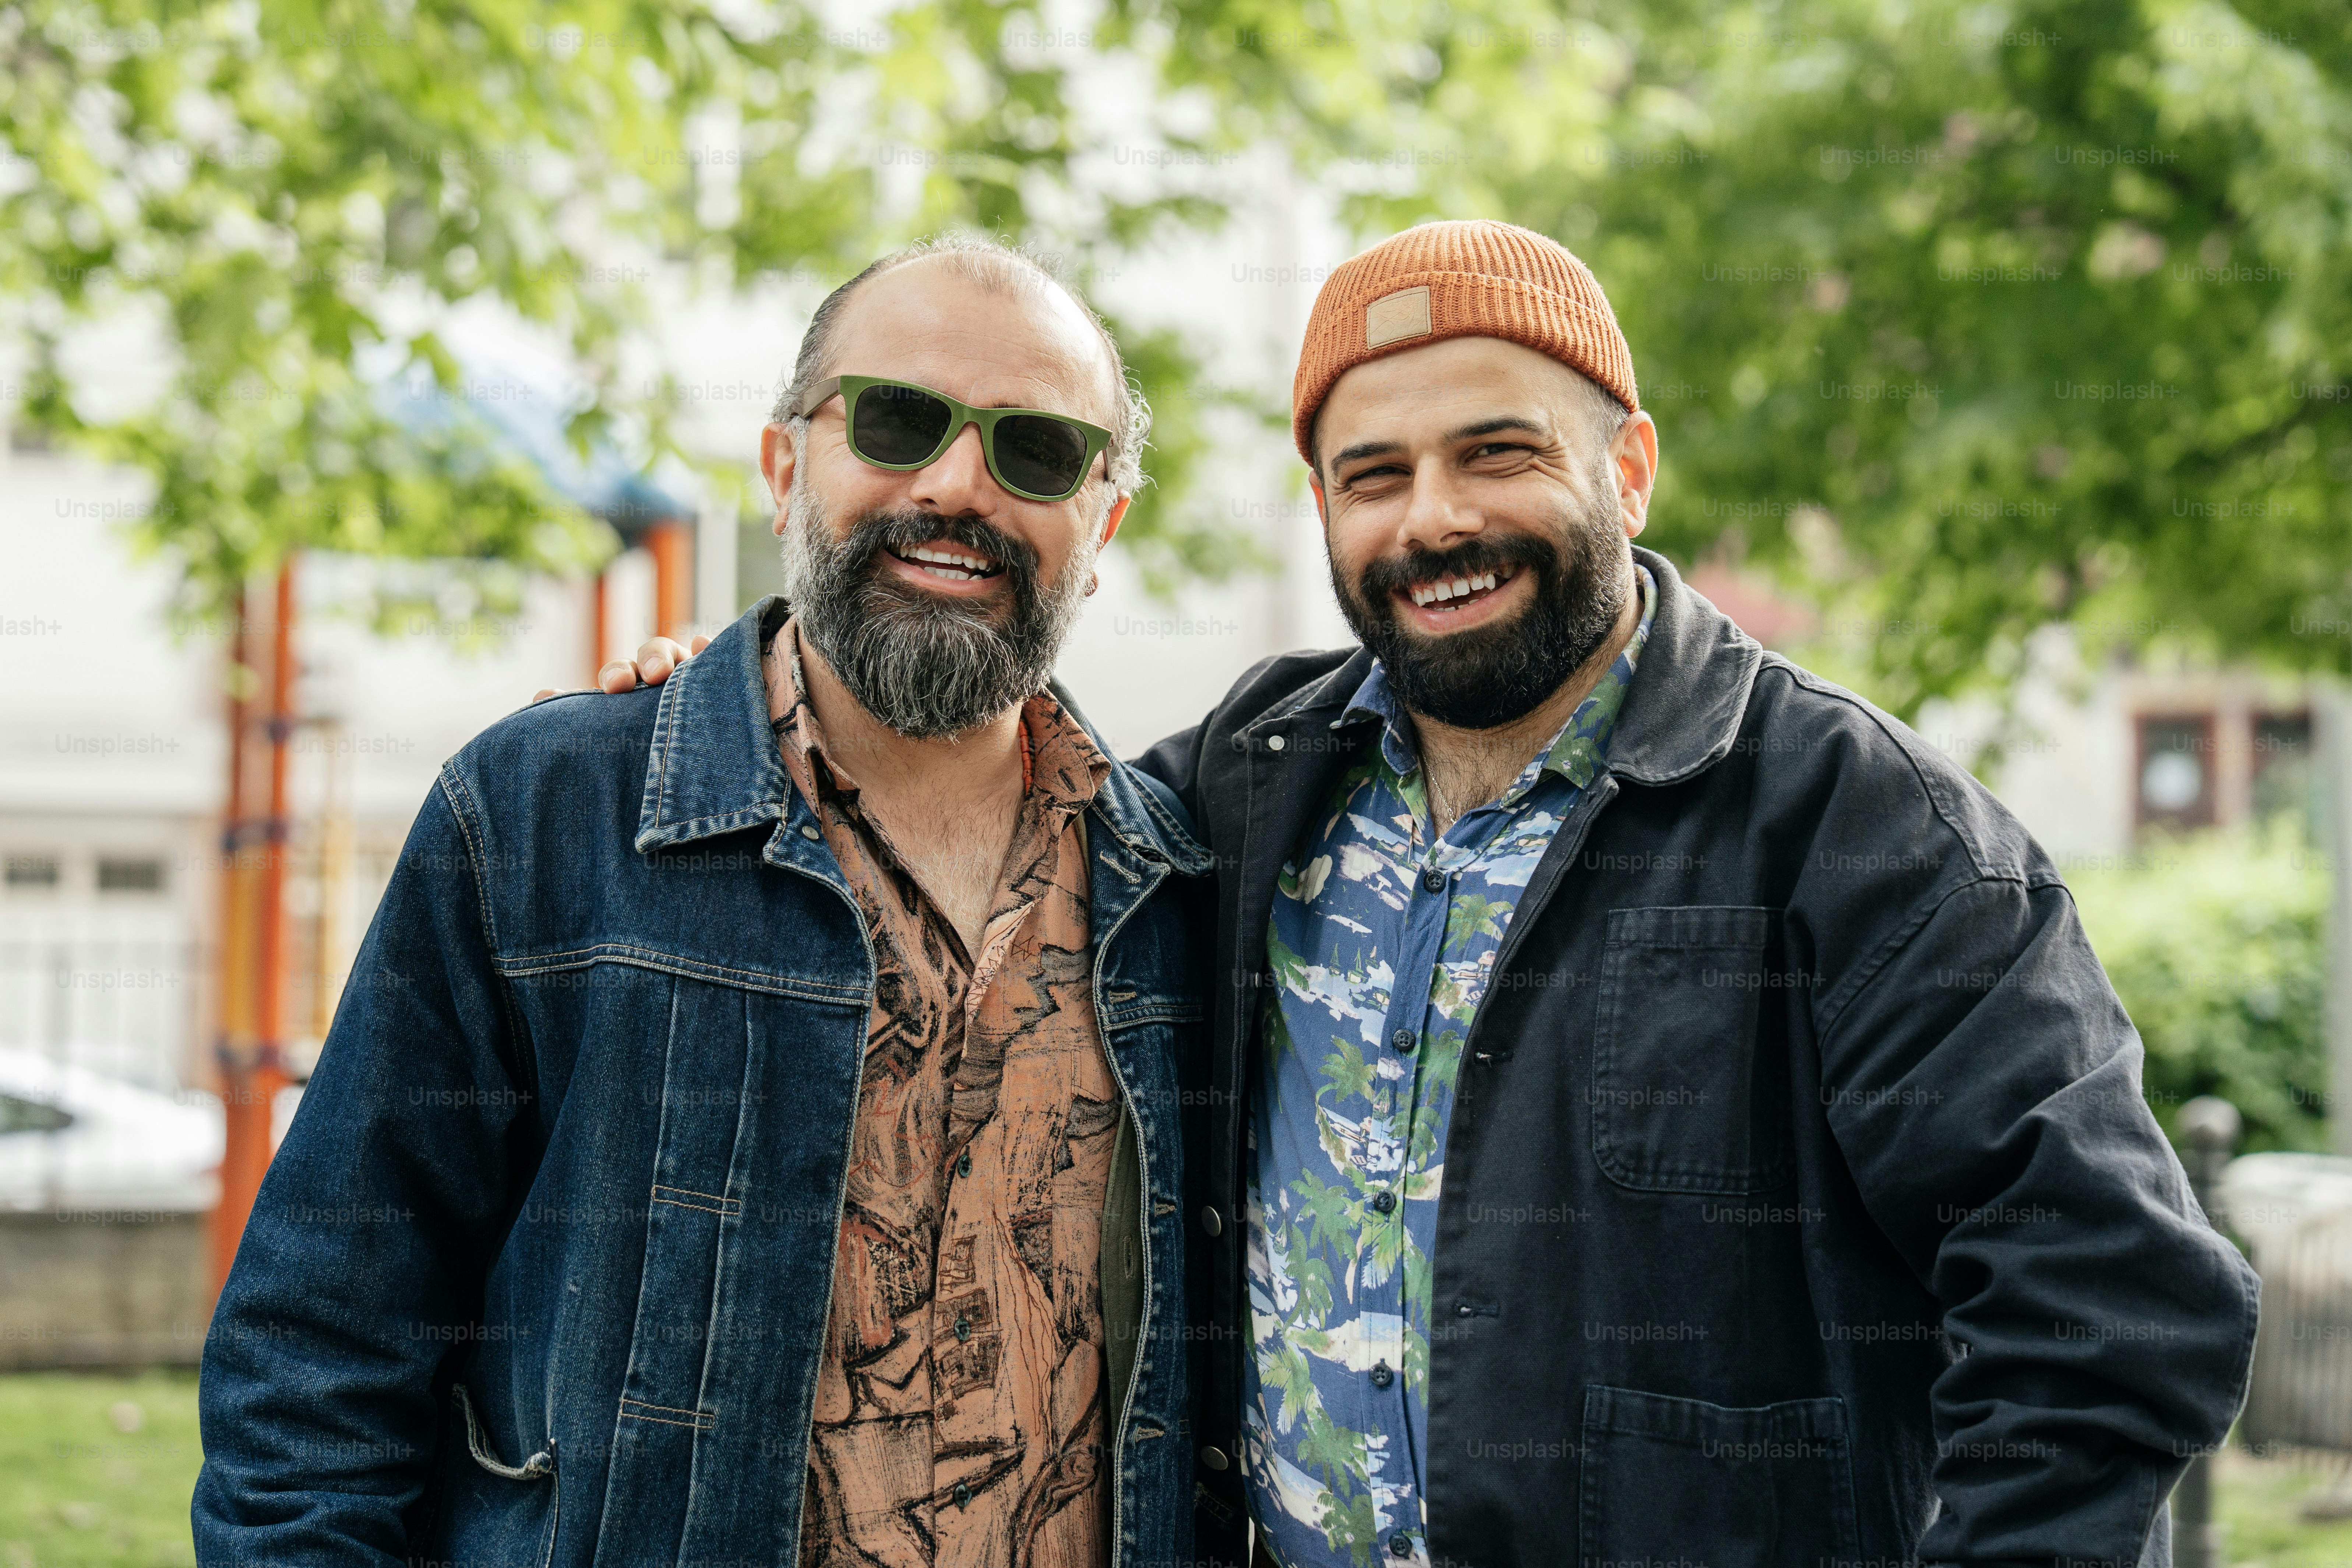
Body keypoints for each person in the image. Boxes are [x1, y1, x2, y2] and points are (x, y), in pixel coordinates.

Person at [607, 221, 2258, 1568]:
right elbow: (966, 779)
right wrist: (739, 696)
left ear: (1628, 469)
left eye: (1496, 453)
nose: (1435, 518)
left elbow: (2109, 1309)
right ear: (1321, 507)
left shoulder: (1855, 828)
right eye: (1371, 473)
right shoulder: (1243, 785)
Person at [193, 236, 1220, 1568]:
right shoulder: (542, 816)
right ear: (786, 464)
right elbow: (315, 1360)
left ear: (1102, 524)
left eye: (1037, 451)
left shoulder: (1180, 890)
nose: (960, 484)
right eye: (899, 421)